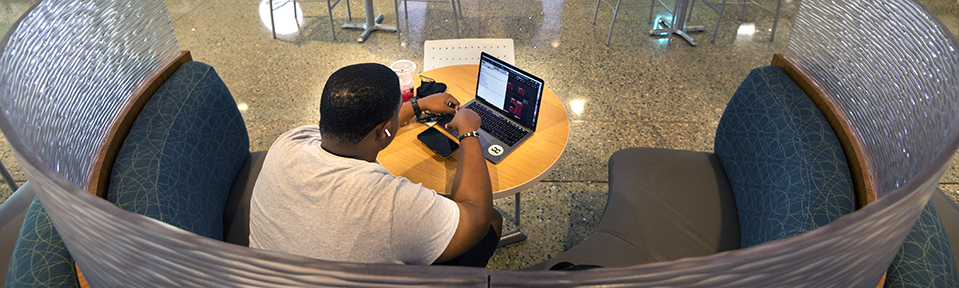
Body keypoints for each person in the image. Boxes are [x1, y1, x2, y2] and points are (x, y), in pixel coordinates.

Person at [249, 63, 503, 267]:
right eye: (396, 111)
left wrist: (418, 104)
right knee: (492, 220)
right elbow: (476, 217)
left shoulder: (289, 142)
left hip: (267, 276)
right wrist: (468, 132)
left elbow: (371, 128)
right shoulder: (391, 205)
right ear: (385, 130)